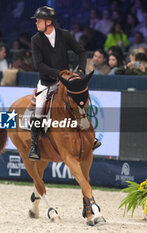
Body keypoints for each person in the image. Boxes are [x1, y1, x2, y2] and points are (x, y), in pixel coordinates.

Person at [29, 6, 100, 161]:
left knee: (79, 104)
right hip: (47, 82)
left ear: (48, 22)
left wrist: (80, 70)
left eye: (38, 20)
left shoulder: (64, 35)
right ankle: (34, 145)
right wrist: (58, 74)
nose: (36, 23)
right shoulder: (35, 40)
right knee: (39, 108)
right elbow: (38, 65)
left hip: (66, 83)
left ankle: (91, 139)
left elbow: (81, 52)